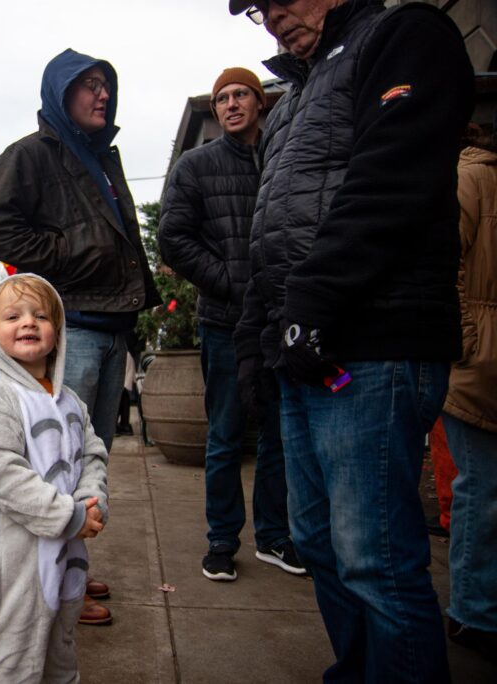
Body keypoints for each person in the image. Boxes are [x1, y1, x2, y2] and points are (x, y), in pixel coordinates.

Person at [229, 0, 474, 680]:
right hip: (303, 348)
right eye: (259, 8)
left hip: (372, 340)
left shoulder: (404, 35)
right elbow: (269, 230)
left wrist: (313, 300)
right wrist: (255, 339)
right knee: (318, 542)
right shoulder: (295, 98)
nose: (273, 17)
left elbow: (392, 179)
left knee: (375, 556)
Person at [0, 47, 159, 626]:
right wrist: (64, 261)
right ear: (59, 93)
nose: (102, 94)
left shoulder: (104, 159)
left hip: (111, 327)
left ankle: (68, 567)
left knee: (84, 458)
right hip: (71, 327)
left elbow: (121, 241)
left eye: (106, 84)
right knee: (46, 461)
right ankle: (42, 584)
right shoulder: (32, 155)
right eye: (87, 84)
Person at [158, 67, 303, 582]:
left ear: (259, 102)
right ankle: (221, 540)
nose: (231, 104)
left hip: (284, 319)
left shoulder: (286, 157)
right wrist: (228, 279)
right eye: (222, 98)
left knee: (280, 433)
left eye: (241, 94)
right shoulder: (197, 166)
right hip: (225, 320)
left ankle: (274, 536)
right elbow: (173, 239)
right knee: (224, 434)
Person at [0, 274, 108, 681]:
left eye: (40, 315)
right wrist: (67, 514)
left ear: (57, 332)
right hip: (9, 568)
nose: (28, 322)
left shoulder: (71, 401)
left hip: (65, 561)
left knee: (58, 653)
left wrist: (92, 502)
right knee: (5, 660)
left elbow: (92, 454)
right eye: (12, 316)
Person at [440, 122, 497, 661]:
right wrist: (465, 342)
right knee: (481, 489)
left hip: (482, 357)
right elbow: (444, 263)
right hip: (479, 365)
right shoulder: (470, 176)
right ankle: (475, 612)